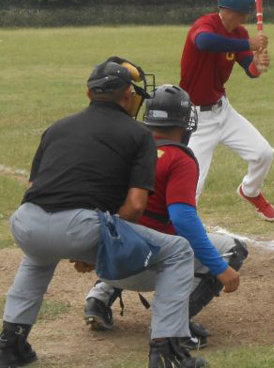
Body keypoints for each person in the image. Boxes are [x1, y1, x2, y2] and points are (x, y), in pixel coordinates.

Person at [0, 59, 206, 368]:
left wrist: (87, 242)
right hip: (79, 227)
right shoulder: (139, 135)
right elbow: (136, 205)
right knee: (177, 252)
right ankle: (167, 354)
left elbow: (35, 187)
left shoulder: (57, 127)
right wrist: (100, 244)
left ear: (89, 93)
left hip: (26, 222)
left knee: (38, 258)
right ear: (127, 96)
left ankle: (10, 345)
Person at [82, 84, 248, 351]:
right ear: (184, 122)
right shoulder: (178, 157)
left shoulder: (126, 148)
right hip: (144, 264)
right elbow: (183, 219)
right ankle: (171, 325)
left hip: (105, 260)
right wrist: (219, 267)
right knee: (232, 248)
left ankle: (98, 297)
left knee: (127, 228)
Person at [180, 0, 274, 222]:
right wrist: (250, 44)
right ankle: (179, 240)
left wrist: (258, 63)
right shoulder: (206, 25)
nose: (251, 11)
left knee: (263, 153)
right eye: (249, 6)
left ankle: (250, 191)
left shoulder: (240, 33)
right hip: (198, 120)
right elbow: (204, 42)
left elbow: (250, 71)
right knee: (192, 189)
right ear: (238, 6)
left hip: (223, 111)